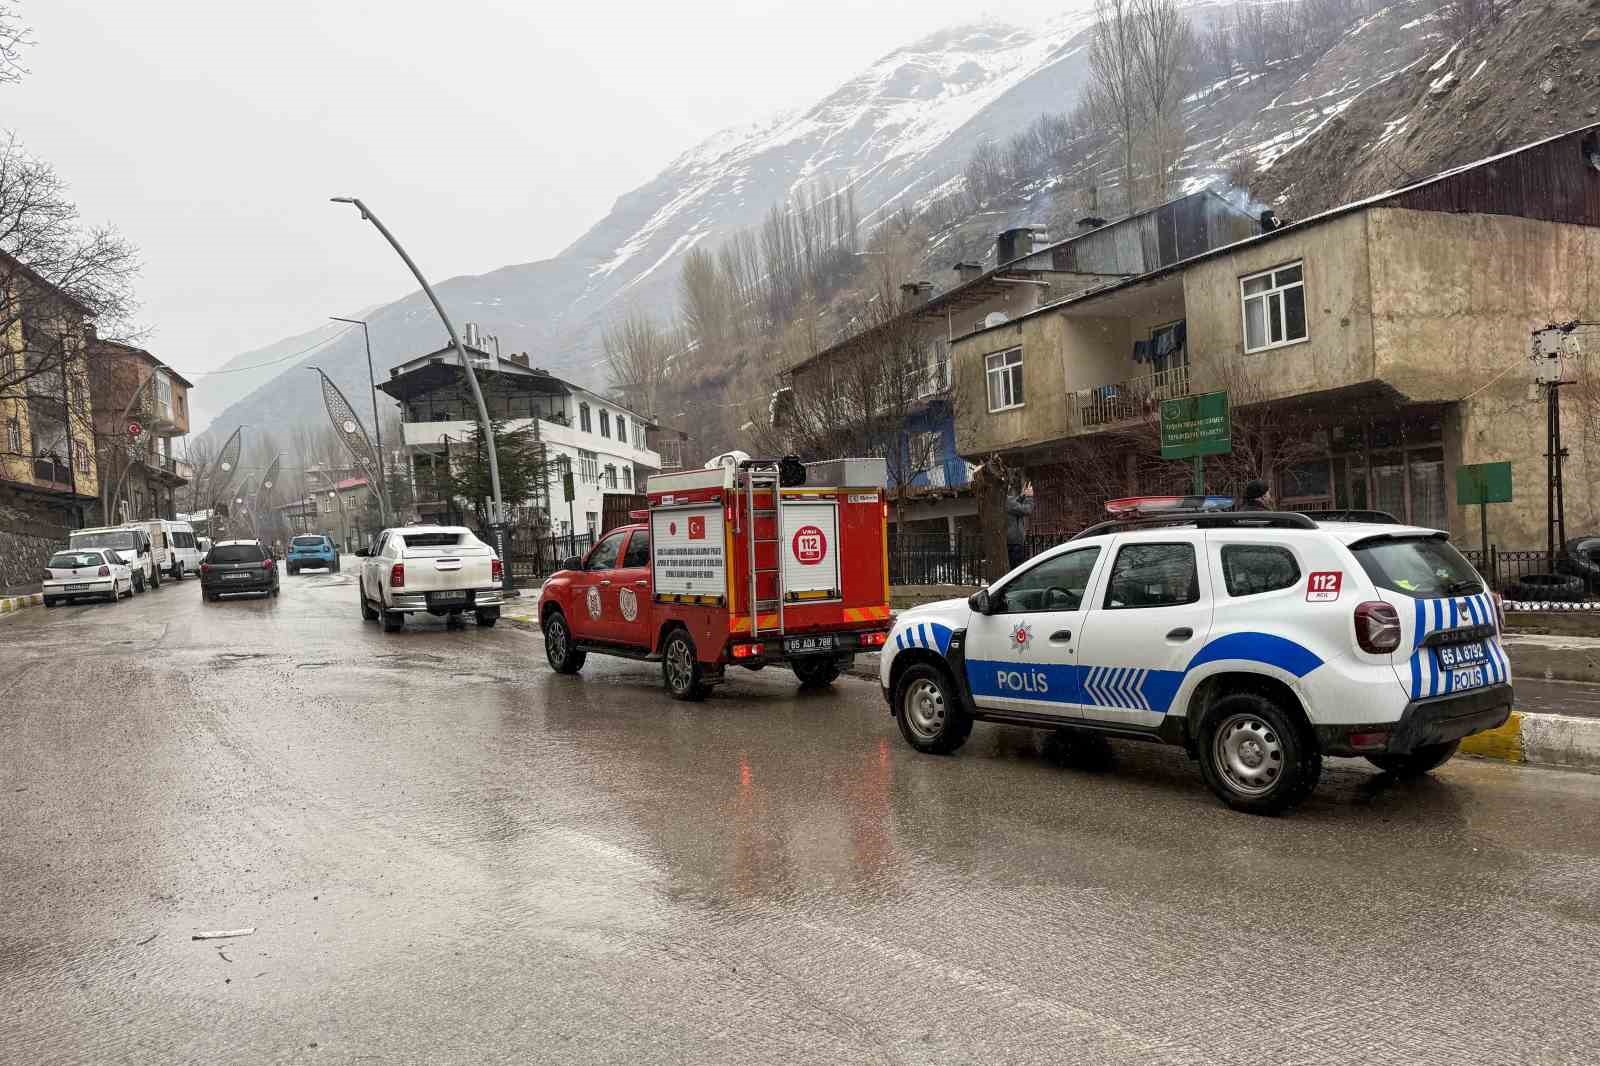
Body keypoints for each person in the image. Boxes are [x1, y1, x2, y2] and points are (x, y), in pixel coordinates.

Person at [1005, 480, 1035, 570]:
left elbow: (1015, 505)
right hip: (1015, 542)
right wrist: (1029, 497)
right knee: (1017, 569)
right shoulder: (1007, 500)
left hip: (1009, 541)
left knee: (1013, 567)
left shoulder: (1002, 500)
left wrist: (1023, 496)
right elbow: (1027, 510)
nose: (1009, 486)